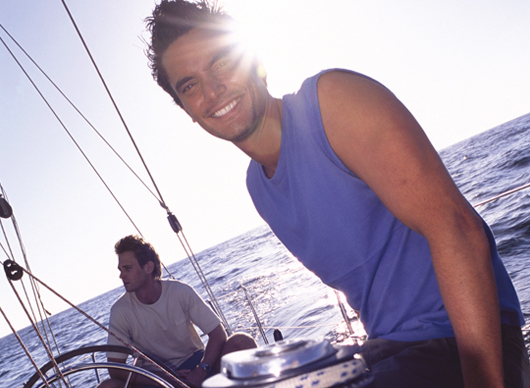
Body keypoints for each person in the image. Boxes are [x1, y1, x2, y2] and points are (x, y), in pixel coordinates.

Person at [144, 1, 530, 387]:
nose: (212, 90)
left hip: (469, 341)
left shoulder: (332, 102)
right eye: (191, 86)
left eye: (222, 62)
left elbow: (456, 229)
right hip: (388, 349)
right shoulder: (258, 187)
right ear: (188, 111)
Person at [98, 235, 256, 388]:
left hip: (195, 367)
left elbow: (218, 333)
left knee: (242, 342)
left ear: (148, 267)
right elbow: (115, 369)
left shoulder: (179, 291)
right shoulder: (120, 311)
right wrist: (164, 380)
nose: (121, 275)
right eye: (120, 269)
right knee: (108, 386)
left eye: (127, 268)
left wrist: (201, 371)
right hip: (155, 379)